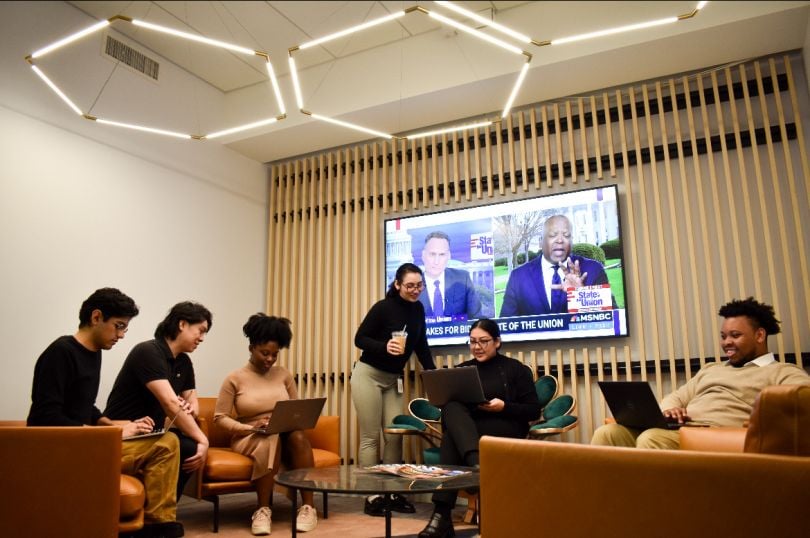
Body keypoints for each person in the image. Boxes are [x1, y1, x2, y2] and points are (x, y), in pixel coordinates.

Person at [27, 288, 184, 538]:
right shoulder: (60, 352)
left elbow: (83, 407)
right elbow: (45, 417)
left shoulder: (94, 352)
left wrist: (110, 423)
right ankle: (157, 527)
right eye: (118, 326)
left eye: (125, 329)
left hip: (85, 444)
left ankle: (157, 524)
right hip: (61, 451)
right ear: (96, 317)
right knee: (166, 444)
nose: (121, 335)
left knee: (167, 441)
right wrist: (108, 433)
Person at [591, 297, 810, 449]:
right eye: (724, 336)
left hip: (720, 439)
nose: (727, 343)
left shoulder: (781, 372)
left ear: (760, 336)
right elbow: (677, 396)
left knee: (652, 439)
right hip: (681, 432)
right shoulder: (711, 369)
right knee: (608, 433)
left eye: (735, 335)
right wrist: (670, 410)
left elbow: (803, 399)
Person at [418, 318, 541, 538]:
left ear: (497, 342)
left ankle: (441, 517)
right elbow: (449, 417)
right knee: (452, 407)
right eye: (473, 341)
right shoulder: (462, 370)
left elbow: (533, 411)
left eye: (484, 341)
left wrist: (504, 407)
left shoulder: (516, 370)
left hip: (505, 427)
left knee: (451, 441)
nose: (477, 347)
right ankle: (476, 465)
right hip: (470, 431)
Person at [213, 314, 318, 535]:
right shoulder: (235, 378)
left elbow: (295, 409)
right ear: (251, 348)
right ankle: (262, 509)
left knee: (298, 436)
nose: (270, 359)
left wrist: (291, 421)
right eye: (265, 353)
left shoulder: (284, 375)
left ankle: (308, 507)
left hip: (283, 431)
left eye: (275, 355)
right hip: (249, 434)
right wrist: (251, 427)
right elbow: (220, 417)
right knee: (269, 438)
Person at [353, 262, 437, 517]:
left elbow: (421, 343)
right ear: (397, 285)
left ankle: (391, 492)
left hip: (393, 379)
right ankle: (372, 496)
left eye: (419, 285)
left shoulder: (419, 309)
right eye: (410, 285)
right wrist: (384, 346)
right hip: (368, 375)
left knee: (395, 434)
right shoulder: (383, 307)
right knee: (371, 437)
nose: (415, 290)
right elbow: (360, 338)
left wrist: (433, 374)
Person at [105, 301, 212, 500]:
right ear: (182, 324)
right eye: (201, 330)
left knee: (188, 446)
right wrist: (203, 439)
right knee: (190, 445)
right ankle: (157, 513)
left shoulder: (184, 362)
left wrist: (188, 407)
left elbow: (193, 405)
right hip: (125, 432)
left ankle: (165, 509)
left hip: (152, 434)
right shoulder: (148, 351)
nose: (202, 338)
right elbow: (170, 404)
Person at [500, 214, 609, 317]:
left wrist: (581, 296)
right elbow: (506, 327)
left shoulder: (594, 270)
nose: (560, 240)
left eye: (566, 235)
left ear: (572, 241)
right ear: (540, 242)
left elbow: (611, 320)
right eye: (553, 235)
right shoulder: (518, 277)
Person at [418, 231, 482, 319]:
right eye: (432, 254)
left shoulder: (462, 279)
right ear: (423, 255)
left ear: (448, 256)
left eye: (442, 255)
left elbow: (476, 317)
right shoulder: (412, 285)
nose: (436, 261)